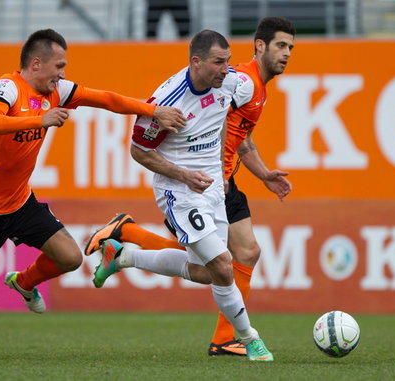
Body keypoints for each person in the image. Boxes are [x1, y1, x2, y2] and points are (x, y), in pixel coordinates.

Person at [0, 28, 186, 360]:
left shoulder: (58, 91)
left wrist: (150, 111)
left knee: (70, 258)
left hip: (20, 203)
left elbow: (106, 99)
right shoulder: (8, 87)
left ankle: (24, 282)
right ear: (36, 64)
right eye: (58, 66)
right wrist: (40, 118)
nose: (63, 74)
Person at [85, 17, 296, 357]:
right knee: (225, 265)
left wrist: (229, 170)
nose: (227, 69)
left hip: (214, 187)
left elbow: (232, 124)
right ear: (196, 62)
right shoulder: (168, 103)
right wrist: (183, 175)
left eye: (228, 61)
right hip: (179, 192)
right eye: (218, 62)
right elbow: (138, 151)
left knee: (204, 272)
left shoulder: (235, 84)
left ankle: (123, 255)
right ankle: (248, 339)